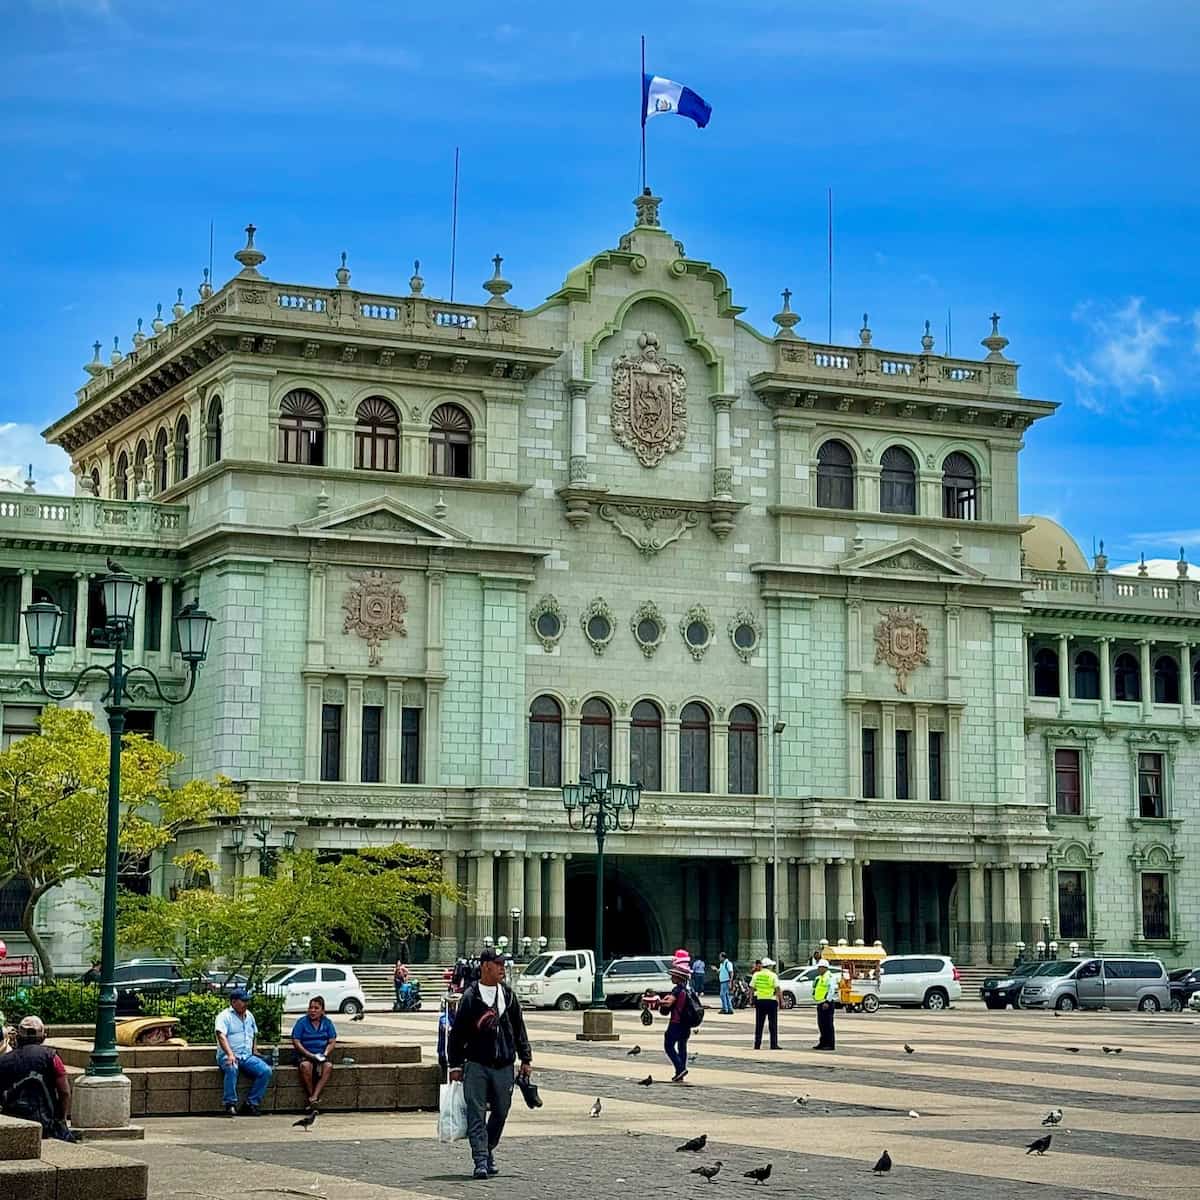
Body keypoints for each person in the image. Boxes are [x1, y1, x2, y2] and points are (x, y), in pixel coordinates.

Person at [447, 947, 533, 1180]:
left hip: (504, 1065)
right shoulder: (470, 997)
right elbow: (457, 1035)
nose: (502, 969)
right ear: (486, 966)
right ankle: (480, 1161)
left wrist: (526, 1058)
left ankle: (488, 1148)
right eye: (498, 965)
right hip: (476, 1064)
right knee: (476, 1114)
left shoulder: (509, 995)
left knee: (501, 1112)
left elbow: (519, 1028)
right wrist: (455, 1066)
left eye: (503, 965)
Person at [0, 1016, 73, 1140]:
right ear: (43, 1037)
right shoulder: (51, 1057)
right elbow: (64, 1092)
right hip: (46, 1121)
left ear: (17, 1037)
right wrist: (61, 1119)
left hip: (13, 1119)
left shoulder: (3, 1060)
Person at [215, 986, 273, 1116]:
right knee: (232, 1068)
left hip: (246, 1056)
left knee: (265, 1071)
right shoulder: (224, 1016)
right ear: (234, 1002)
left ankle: (251, 1103)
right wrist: (230, 1054)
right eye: (243, 1001)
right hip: (228, 1055)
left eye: (247, 1001)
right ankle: (230, 1104)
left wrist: (255, 1050)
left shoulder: (249, 1016)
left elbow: (254, 1033)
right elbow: (221, 1035)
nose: (246, 1004)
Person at [290, 995, 337, 1110]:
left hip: (321, 1055)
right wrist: (309, 1055)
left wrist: (324, 1054)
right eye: (310, 1008)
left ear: (322, 1010)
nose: (312, 1011)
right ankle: (313, 1097)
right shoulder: (302, 1022)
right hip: (305, 1054)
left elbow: (332, 1041)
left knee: (328, 1066)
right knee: (306, 1066)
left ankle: (314, 1097)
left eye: (316, 1008)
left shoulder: (327, 1023)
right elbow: (296, 1041)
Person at [662, 958, 693, 1082]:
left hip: (676, 1022)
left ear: (678, 978)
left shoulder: (677, 990)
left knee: (668, 1045)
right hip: (687, 1023)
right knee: (682, 1046)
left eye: (673, 976)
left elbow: (669, 1003)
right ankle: (680, 1072)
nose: (671, 978)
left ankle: (680, 1068)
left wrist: (658, 1001)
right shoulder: (689, 990)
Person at [750, 956, 781, 1051]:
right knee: (773, 1024)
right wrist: (781, 1000)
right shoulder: (773, 975)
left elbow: (751, 988)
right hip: (771, 1001)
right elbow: (777, 988)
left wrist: (751, 1000)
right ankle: (773, 1044)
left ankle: (757, 1044)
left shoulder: (756, 975)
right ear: (770, 966)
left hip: (760, 1001)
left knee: (759, 1024)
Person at [811, 960, 837, 1051]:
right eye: (818, 967)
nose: (819, 969)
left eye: (820, 967)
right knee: (821, 1024)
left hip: (827, 1003)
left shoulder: (829, 977)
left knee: (828, 1024)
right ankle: (823, 1042)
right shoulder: (819, 977)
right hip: (820, 1002)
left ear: (825, 968)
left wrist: (827, 1001)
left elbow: (831, 990)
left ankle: (830, 1044)